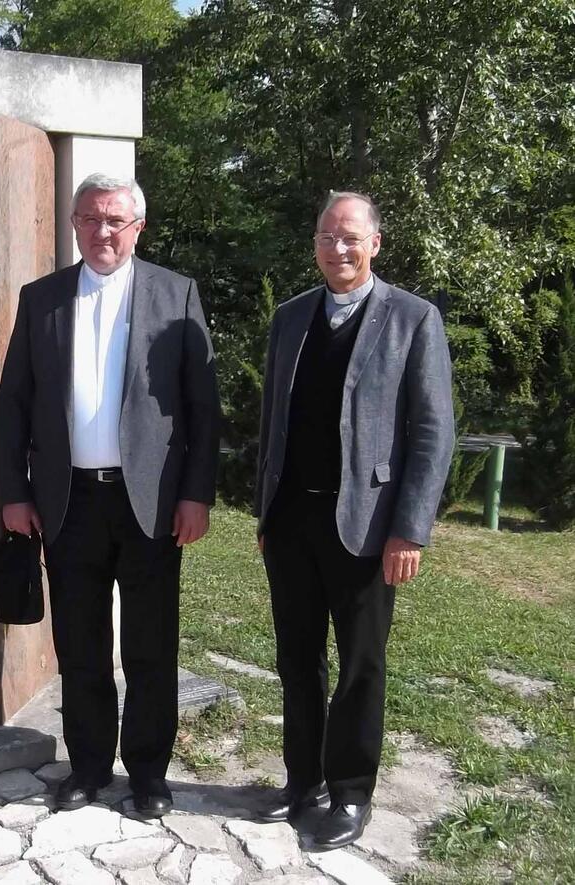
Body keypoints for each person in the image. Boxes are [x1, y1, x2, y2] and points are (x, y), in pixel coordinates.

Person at [0, 172, 220, 818]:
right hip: (68, 503)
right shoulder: (41, 300)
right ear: (74, 224)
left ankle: (149, 774)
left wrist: (196, 494)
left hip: (149, 505)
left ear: (137, 226)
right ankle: (90, 767)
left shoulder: (176, 295)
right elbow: (13, 404)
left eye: (115, 220)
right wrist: (15, 490)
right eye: (91, 219)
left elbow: (203, 411)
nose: (102, 232)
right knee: (81, 644)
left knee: (151, 646)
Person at [254, 191, 454, 847]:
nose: (337, 248)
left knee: (360, 663)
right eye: (326, 236)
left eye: (350, 237)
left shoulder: (412, 319)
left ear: (374, 243)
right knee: (297, 659)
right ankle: (301, 780)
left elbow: (432, 432)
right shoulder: (291, 319)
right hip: (291, 522)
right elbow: (272, 423)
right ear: (314, 243)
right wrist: (264, 509)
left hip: (367, 526)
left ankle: (349, 793)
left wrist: (411, 528)